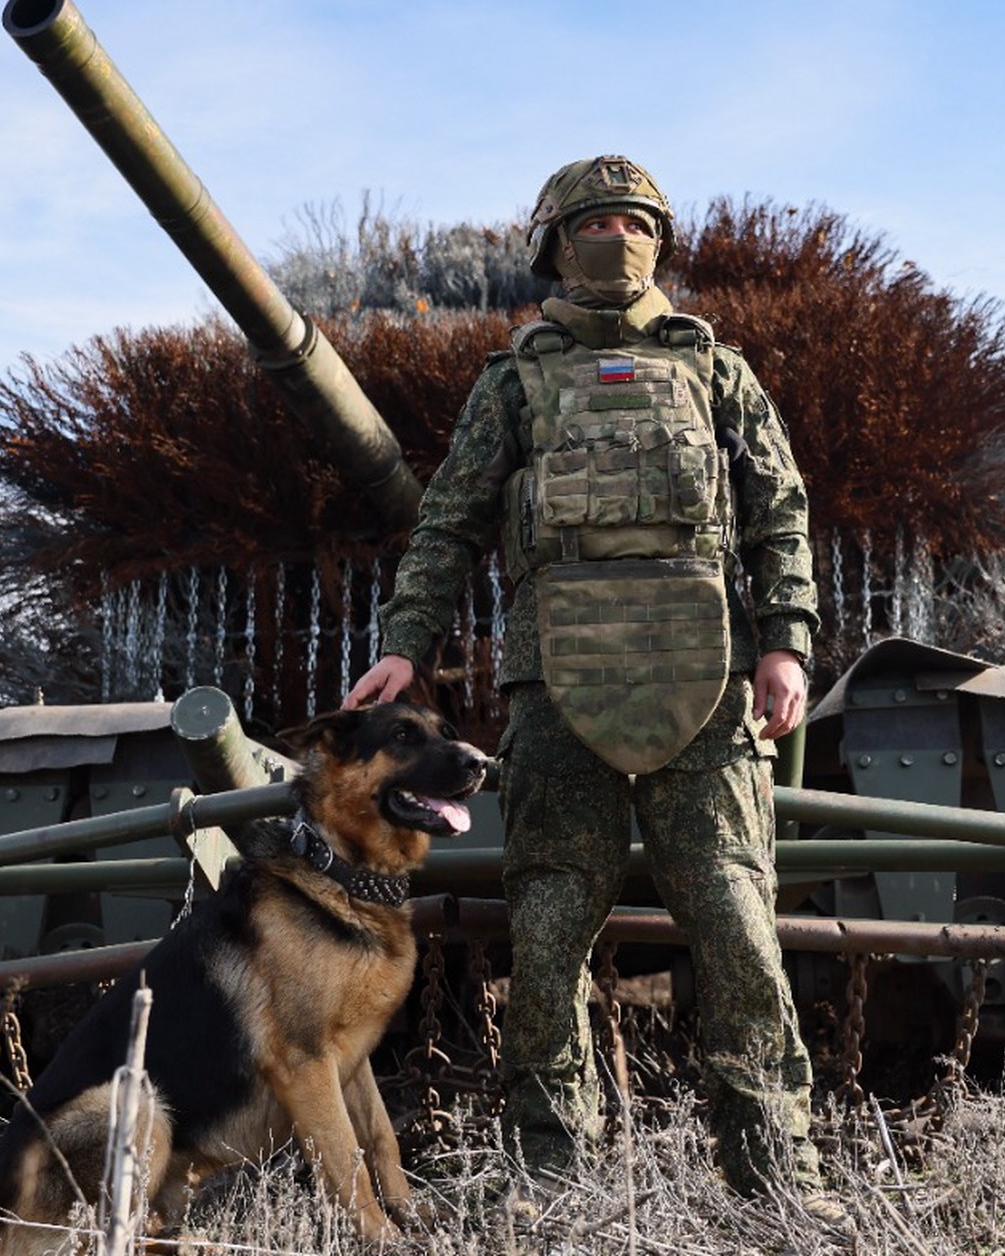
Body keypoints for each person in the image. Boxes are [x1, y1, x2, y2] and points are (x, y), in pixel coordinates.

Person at [344, 155, 829, 1211]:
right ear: (554, 244)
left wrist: (785, 640)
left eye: (633, 219)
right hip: (556, 686)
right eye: (593, 220)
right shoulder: (515, 379)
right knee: (551, 927)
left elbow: (778, 512)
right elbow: (452, 518)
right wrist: (406, 641)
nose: (616, 236)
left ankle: (776, 1172)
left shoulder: (717, 370)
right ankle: (550, 1174)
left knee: (739, 922)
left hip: (704, 686)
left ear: (658, 238)